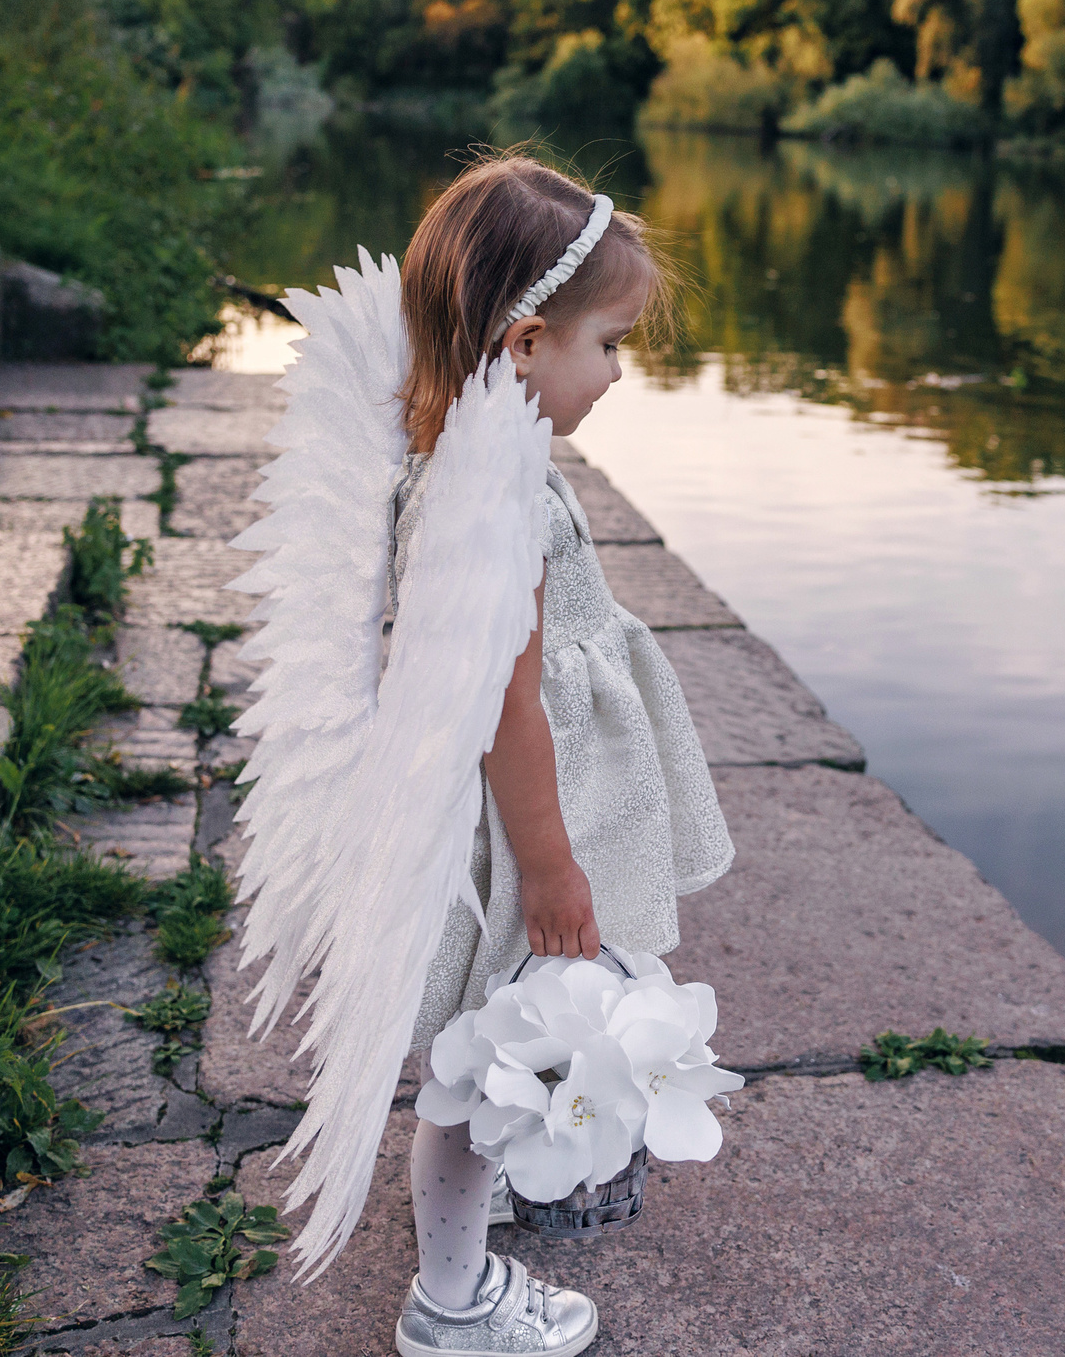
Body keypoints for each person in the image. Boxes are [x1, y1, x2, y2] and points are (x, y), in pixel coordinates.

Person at [226, 154, 732, 1357]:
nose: (618, 372)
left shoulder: (451, 450)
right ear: (521, 346)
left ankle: (477, 1215)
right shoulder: (491, 502)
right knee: (479, 1060)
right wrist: (552, 866)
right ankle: (451, 1301)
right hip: (514, 830)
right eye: (608, 344)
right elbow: (507, 707)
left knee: (491, 1039)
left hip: (499, 816)